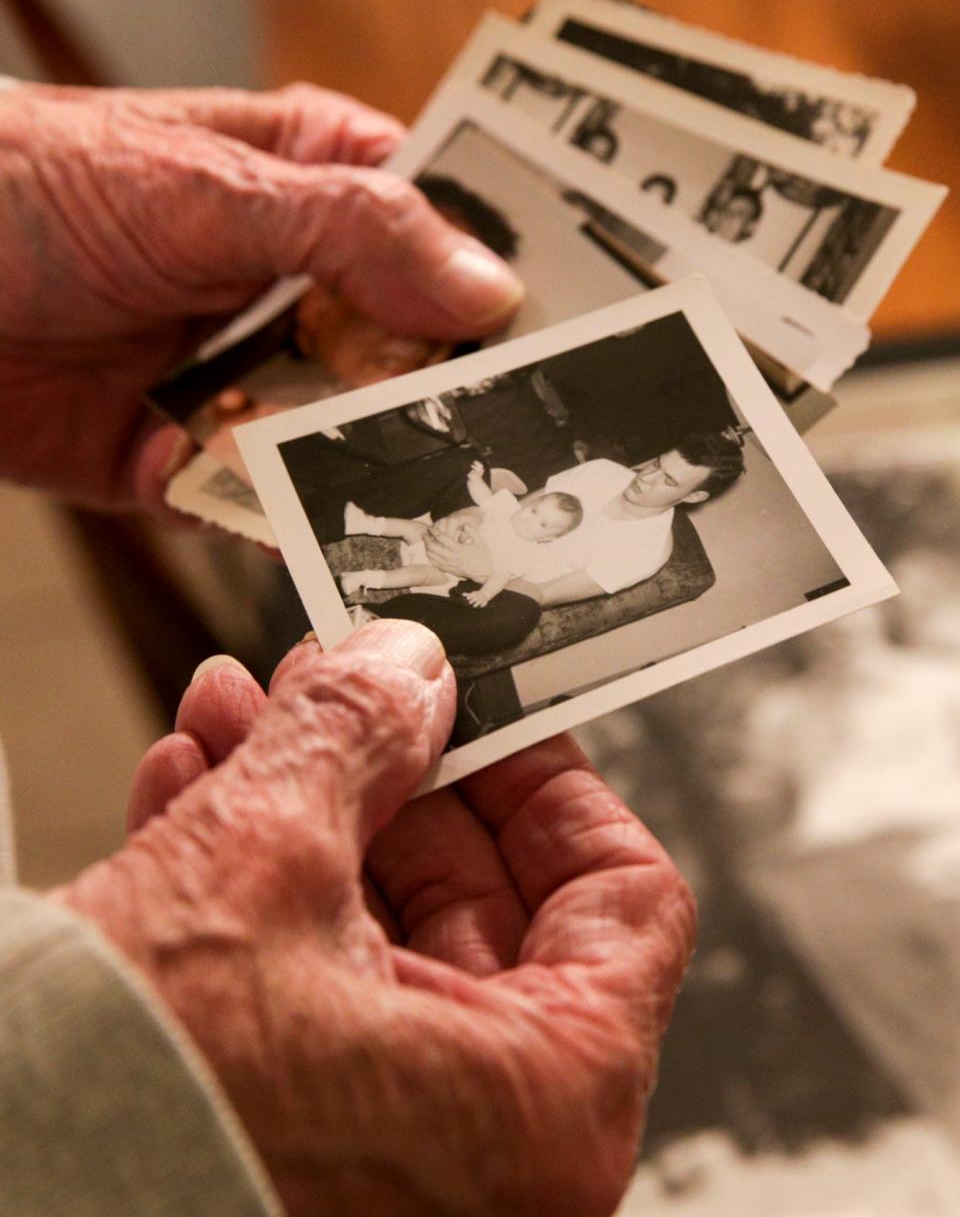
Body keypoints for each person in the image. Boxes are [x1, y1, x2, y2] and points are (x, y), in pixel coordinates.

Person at [0, 78, 695, 1216]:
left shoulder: (610, 499)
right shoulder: (477, 438)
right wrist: (120, 1096)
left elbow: (563, 565)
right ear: (322, 310)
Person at [375, 434, 744, 652]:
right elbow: (519, 508)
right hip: (493, 531)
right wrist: (471, 516)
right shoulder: (602, 471)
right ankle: (329, 518)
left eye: (668, 482)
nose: (645, 479)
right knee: (458, 462)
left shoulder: (648, 552)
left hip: (499, 583)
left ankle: (380, 623)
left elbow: (542, 595)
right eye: (655, 464)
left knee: (517, 617)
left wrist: (482, 569)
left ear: (692, 498)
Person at [338, 461, 583, 603]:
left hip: (446, 570)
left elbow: (499, 576)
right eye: (533, 510)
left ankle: (364, 578)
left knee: (420, 575)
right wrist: (475, 480)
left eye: (542, 524)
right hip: (436, 539)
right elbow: (484, 497)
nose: (530, 520)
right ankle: (364, 523)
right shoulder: (507, 509)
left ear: (547, 538)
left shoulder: (524, 554)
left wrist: (484, 594)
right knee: (414, 528)